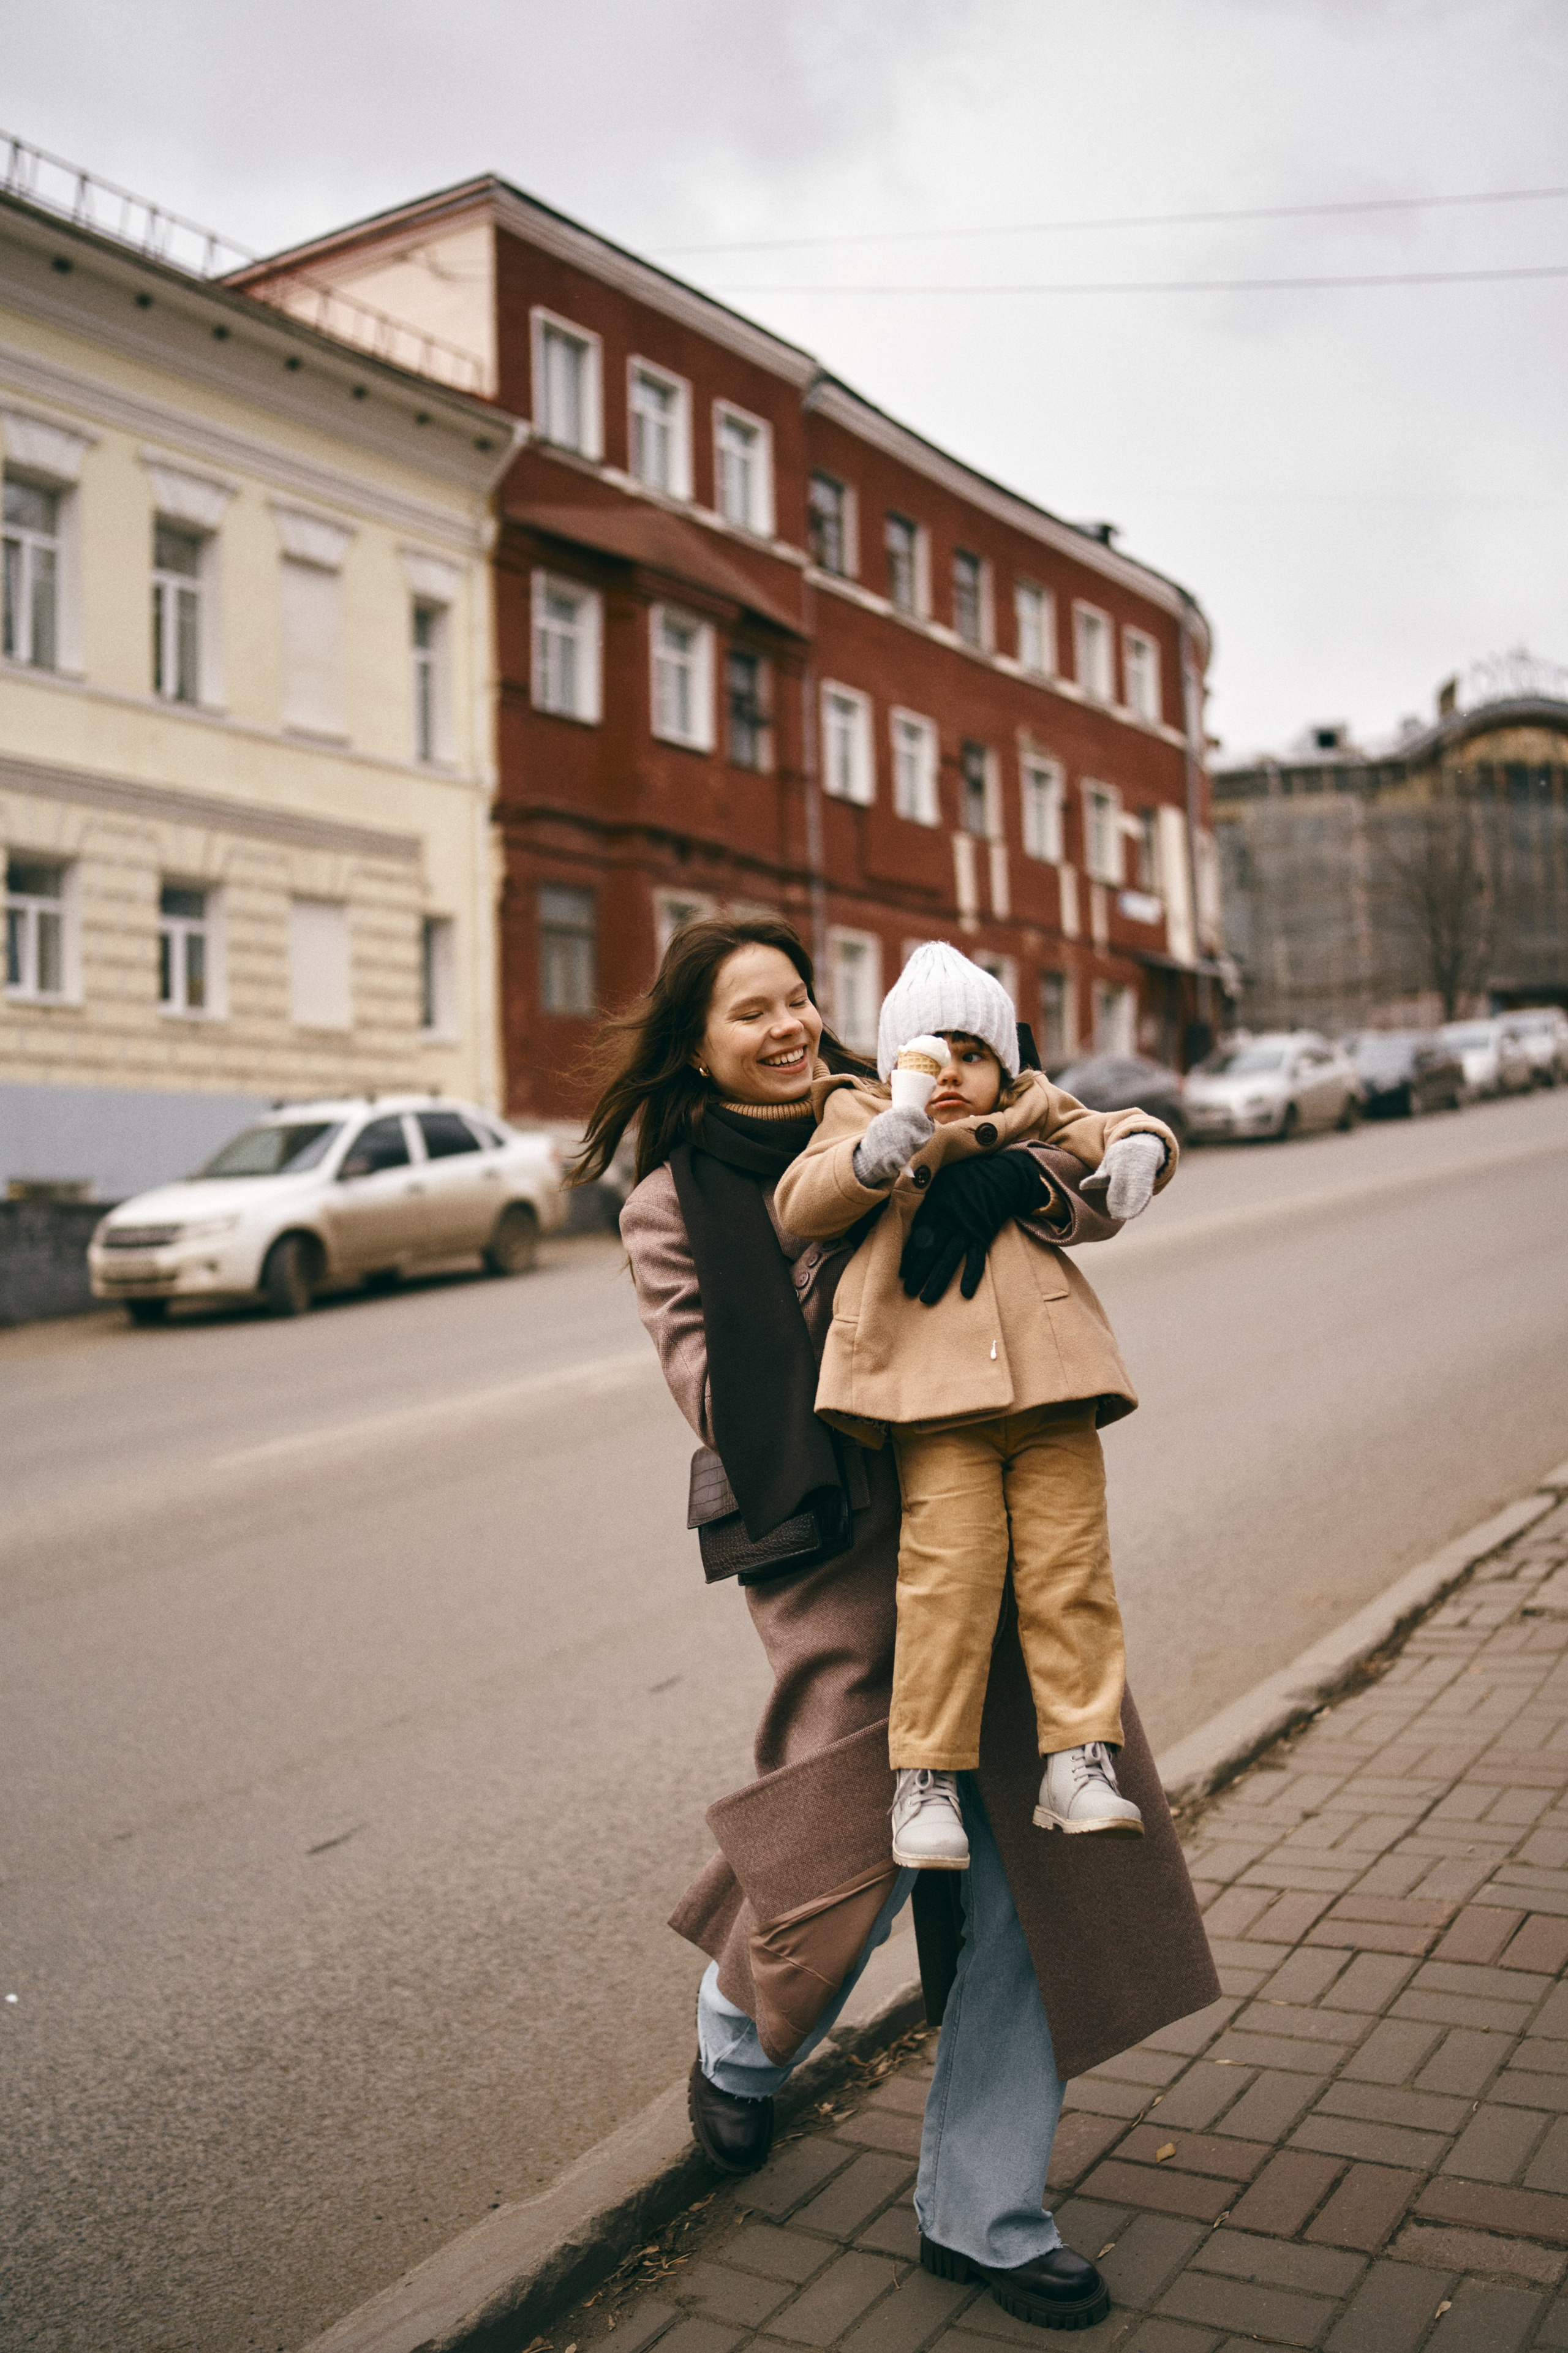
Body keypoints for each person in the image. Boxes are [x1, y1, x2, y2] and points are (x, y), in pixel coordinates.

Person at [578, 916, 1218, 2335]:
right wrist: (874, 1246)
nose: (787, 1026)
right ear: (696, 1044)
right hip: (836, 1534)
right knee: (851, 1846)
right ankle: (739, 2034)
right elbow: (714, 1391)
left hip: (994, 1490)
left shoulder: (908, 1086)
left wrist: (1004, 1181)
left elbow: (1066, 1153)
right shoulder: (673, 1201)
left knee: (1040, 1863)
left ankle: (986, 2209)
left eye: (798, 999)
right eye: (750, 1011)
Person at [774, 942, 1177, 1875]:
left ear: (1006, 1065)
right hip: (935, 1403)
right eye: (928, 1054)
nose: (951, 1072)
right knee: (947, 1583)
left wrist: (1143, 1150)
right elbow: (803, 1200)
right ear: (892, 1064)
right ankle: (926, 1776)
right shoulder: (860, 1110)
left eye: (972, 1053)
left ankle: (1078, 1756)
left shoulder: (1034, 1105)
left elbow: (1115, 1126)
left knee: (1071, 1569)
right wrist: (876, 1154)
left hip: (1055, 1383)